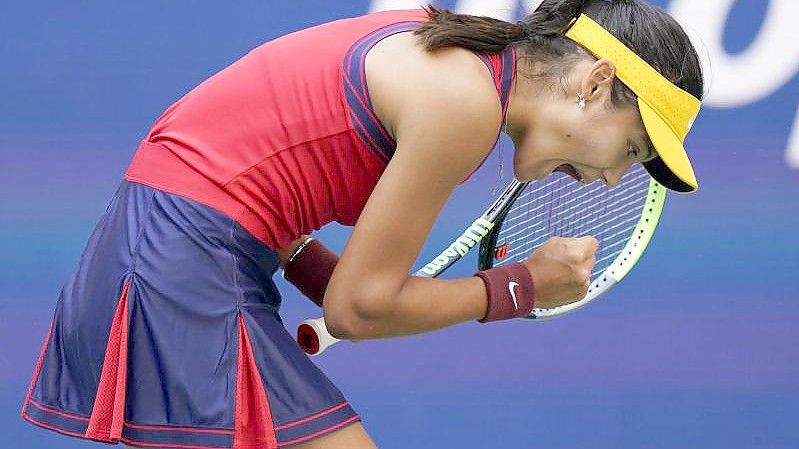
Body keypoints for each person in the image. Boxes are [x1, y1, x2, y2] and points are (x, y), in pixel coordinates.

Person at [21, 0, 706, 448]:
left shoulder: (449, 52)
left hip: (162, 250)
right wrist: (521, 285)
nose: (615, 178)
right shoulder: (461, 102)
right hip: (182, 262)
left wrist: (302, 258)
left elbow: (330, 271)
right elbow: (361, 308)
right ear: (593, 83)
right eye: (630, 150)